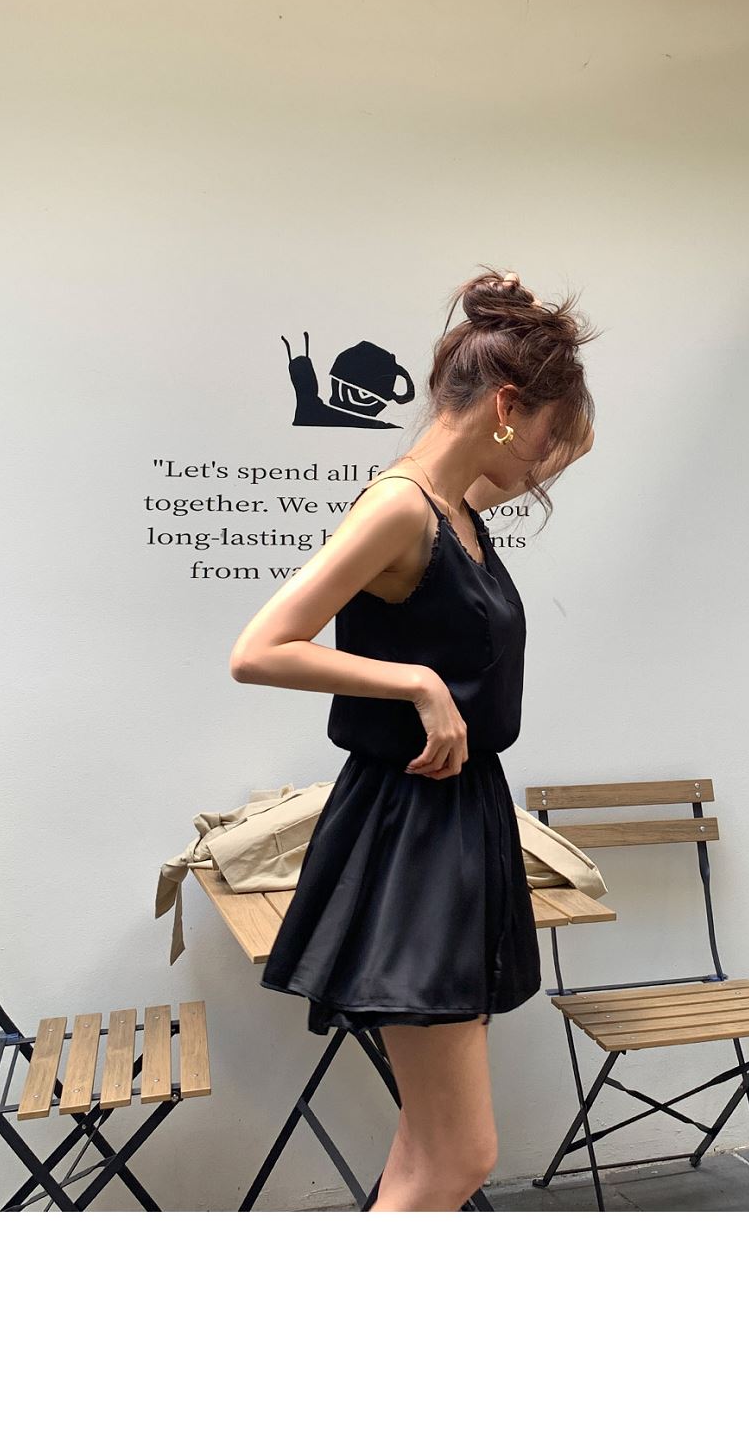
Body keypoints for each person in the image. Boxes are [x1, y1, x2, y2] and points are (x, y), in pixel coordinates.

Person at [229, 266, 598, 1210]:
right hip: (412, 833)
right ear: (507, 408)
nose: (547, 464)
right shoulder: (400, 508)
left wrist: (535, 345)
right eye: (547, 433)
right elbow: (258, 649)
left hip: (458, 822)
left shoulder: (458, 509)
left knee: (426, 1146)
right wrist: (415, 683)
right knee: (461, 1154)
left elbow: (537, 446)